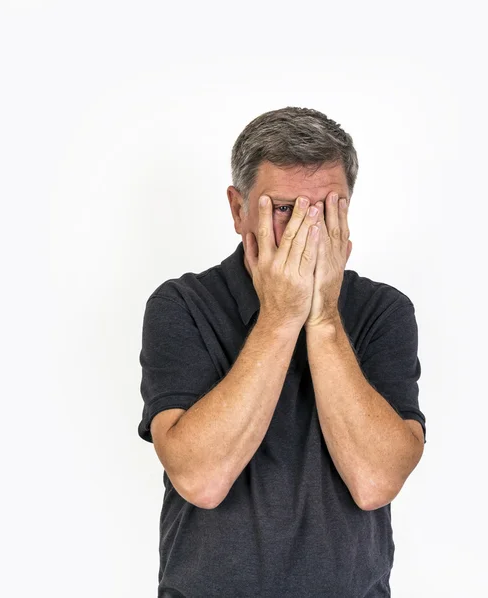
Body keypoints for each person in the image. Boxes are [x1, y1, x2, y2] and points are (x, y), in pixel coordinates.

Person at [137, 106, 427, 598]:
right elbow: (200, 478)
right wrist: (279, 317)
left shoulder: (385, 310)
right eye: (285, 209)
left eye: (326, 210)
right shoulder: (181, 305)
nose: (306, 234)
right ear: (237, 209)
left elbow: (376, 481)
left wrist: (322, 318)